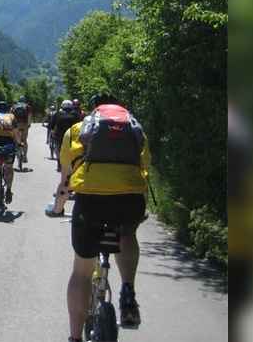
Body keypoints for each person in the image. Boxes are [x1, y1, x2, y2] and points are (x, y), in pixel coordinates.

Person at [57, 94, 151, 342]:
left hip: (91, 202)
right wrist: (140, 208)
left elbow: (67, 177)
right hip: (129, 201)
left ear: (92, 110)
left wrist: (58, 206)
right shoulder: (134, 128)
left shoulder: (79, 129)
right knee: (128, 234)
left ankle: (75, 337)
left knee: (81, 271)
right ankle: (128, 291)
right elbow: (144, 174)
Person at [0, 101, 22, 204]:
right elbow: (16, 133)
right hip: (8, 142)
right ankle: (9, 189)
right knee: (9, 167)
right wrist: (19, 144)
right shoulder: (11, 117)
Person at [47, 100, 80, 173]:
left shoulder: (58, 114)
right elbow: (79, 124)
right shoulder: (75, 114)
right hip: (72, 135)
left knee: (58, 148)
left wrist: (52, 130)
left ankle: (59, 163)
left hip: (60, 135)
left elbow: (51, 125)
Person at [10, 95, 33, 163]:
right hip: (24, 124)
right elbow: (29, 116)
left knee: (14, 139)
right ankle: (25, 156)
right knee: (25, 140)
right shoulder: (27, 106)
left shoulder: (14, 106)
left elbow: (11, 115)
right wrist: (28, 124)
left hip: (16, 124)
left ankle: (13, 153)